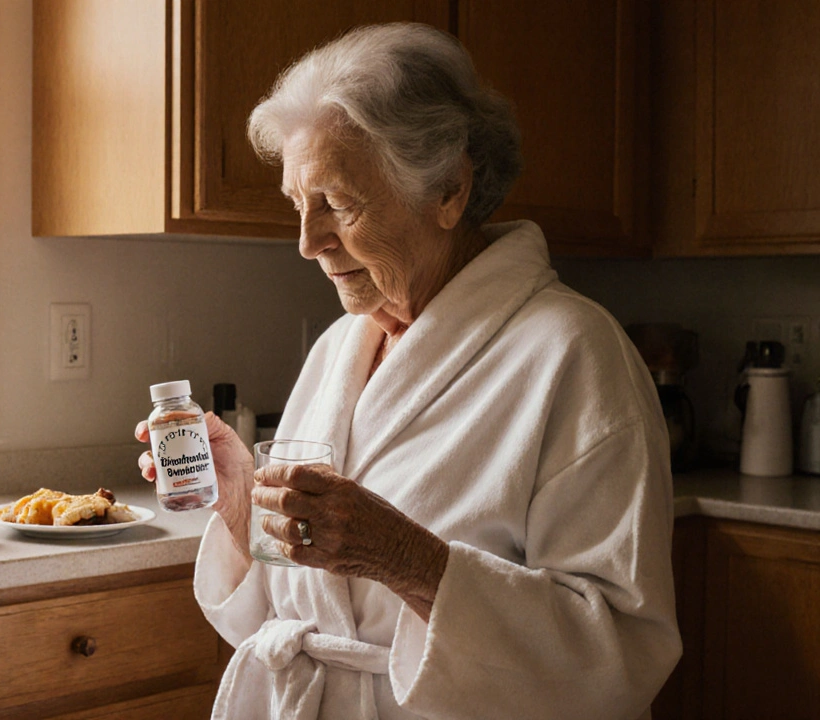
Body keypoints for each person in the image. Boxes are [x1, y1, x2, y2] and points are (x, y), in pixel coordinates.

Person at [134, 23, 680, 720]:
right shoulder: (340, 348)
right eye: (298, 208)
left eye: (339, 204)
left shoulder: (576, 354)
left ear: (449, 189)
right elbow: (296, 624)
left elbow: (619, 660)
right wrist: (244, 506)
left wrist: (407, 560)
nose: (308, 243)